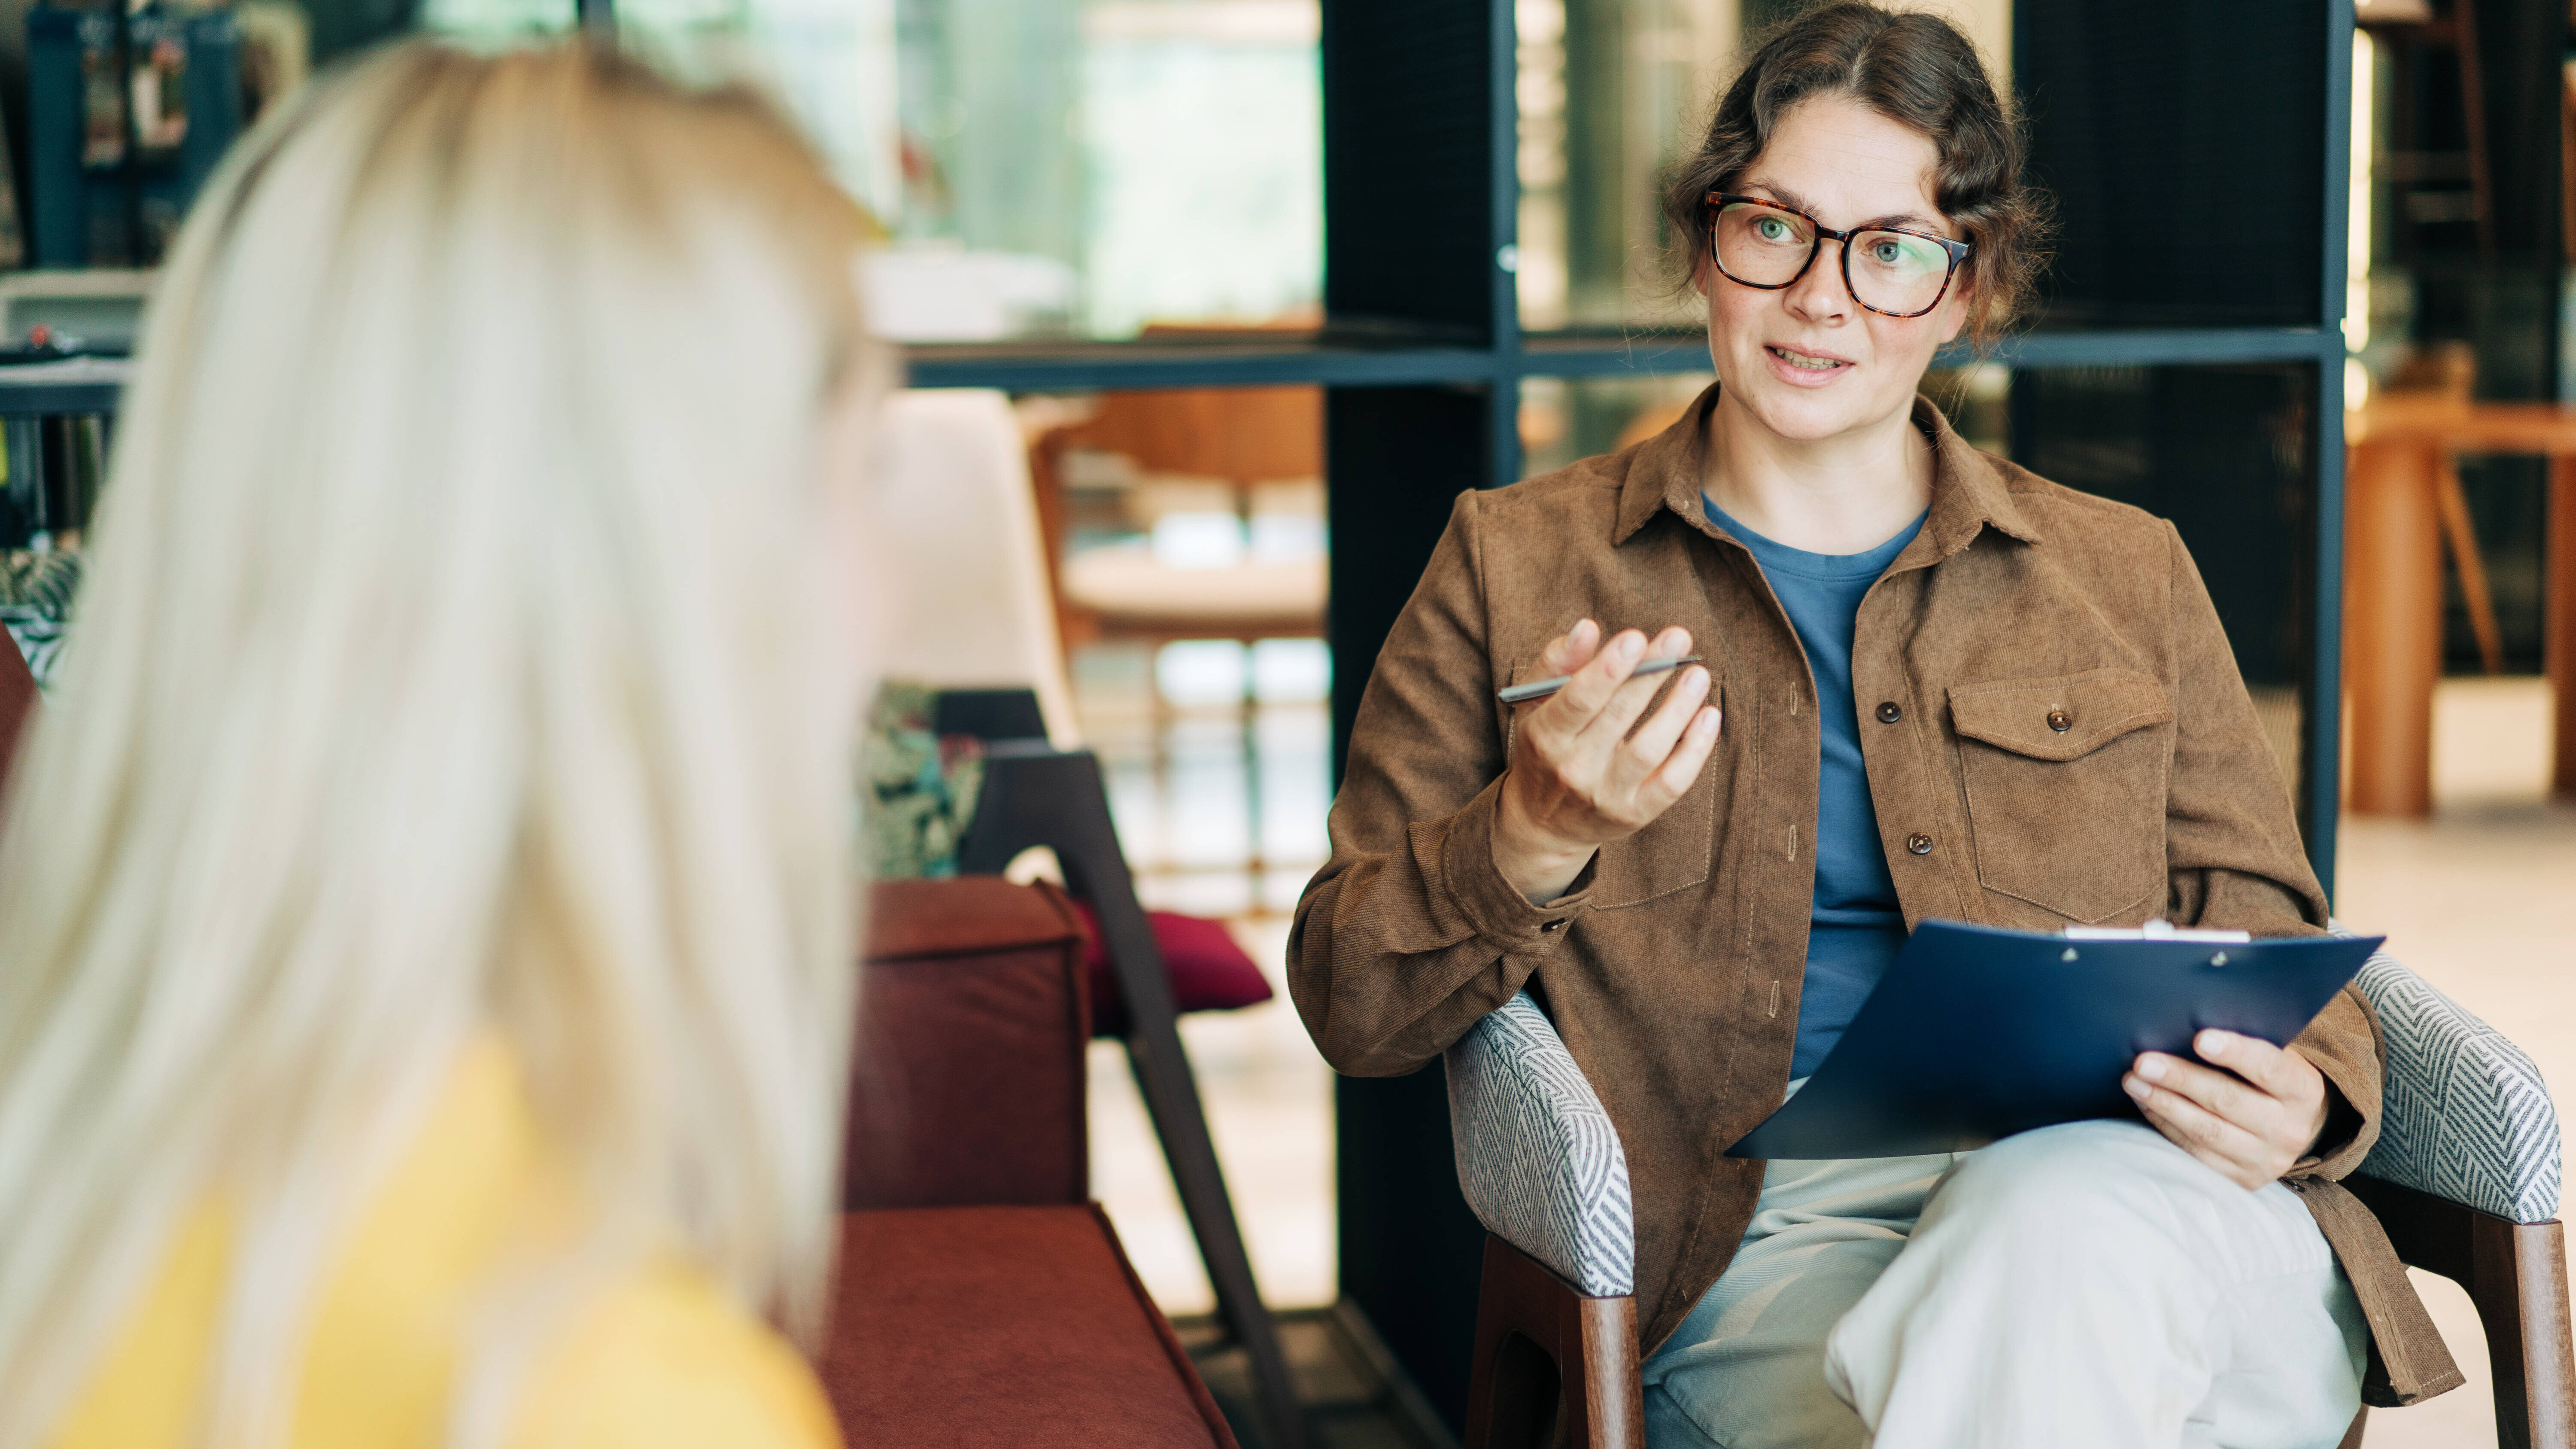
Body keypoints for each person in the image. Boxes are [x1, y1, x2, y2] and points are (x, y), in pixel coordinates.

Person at [1290, 6, 2457, 1446]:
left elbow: (2281, 948)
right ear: (1703, 240)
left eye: (1894, 249)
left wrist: (2305, 1101)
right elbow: (1354, 1004)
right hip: (1766, 1243)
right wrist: (1528, 838)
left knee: (2053, 1216)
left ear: (1970, 291)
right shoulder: (1513, 566)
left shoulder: (2125, 571)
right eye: (1775, 228)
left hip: (2152, 1196)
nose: (1821, 299)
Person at [0, 41, 881, 1449]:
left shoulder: (62, 1219)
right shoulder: (615, 1394)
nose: (876, 605)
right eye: (854, 487)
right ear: (674, 596)